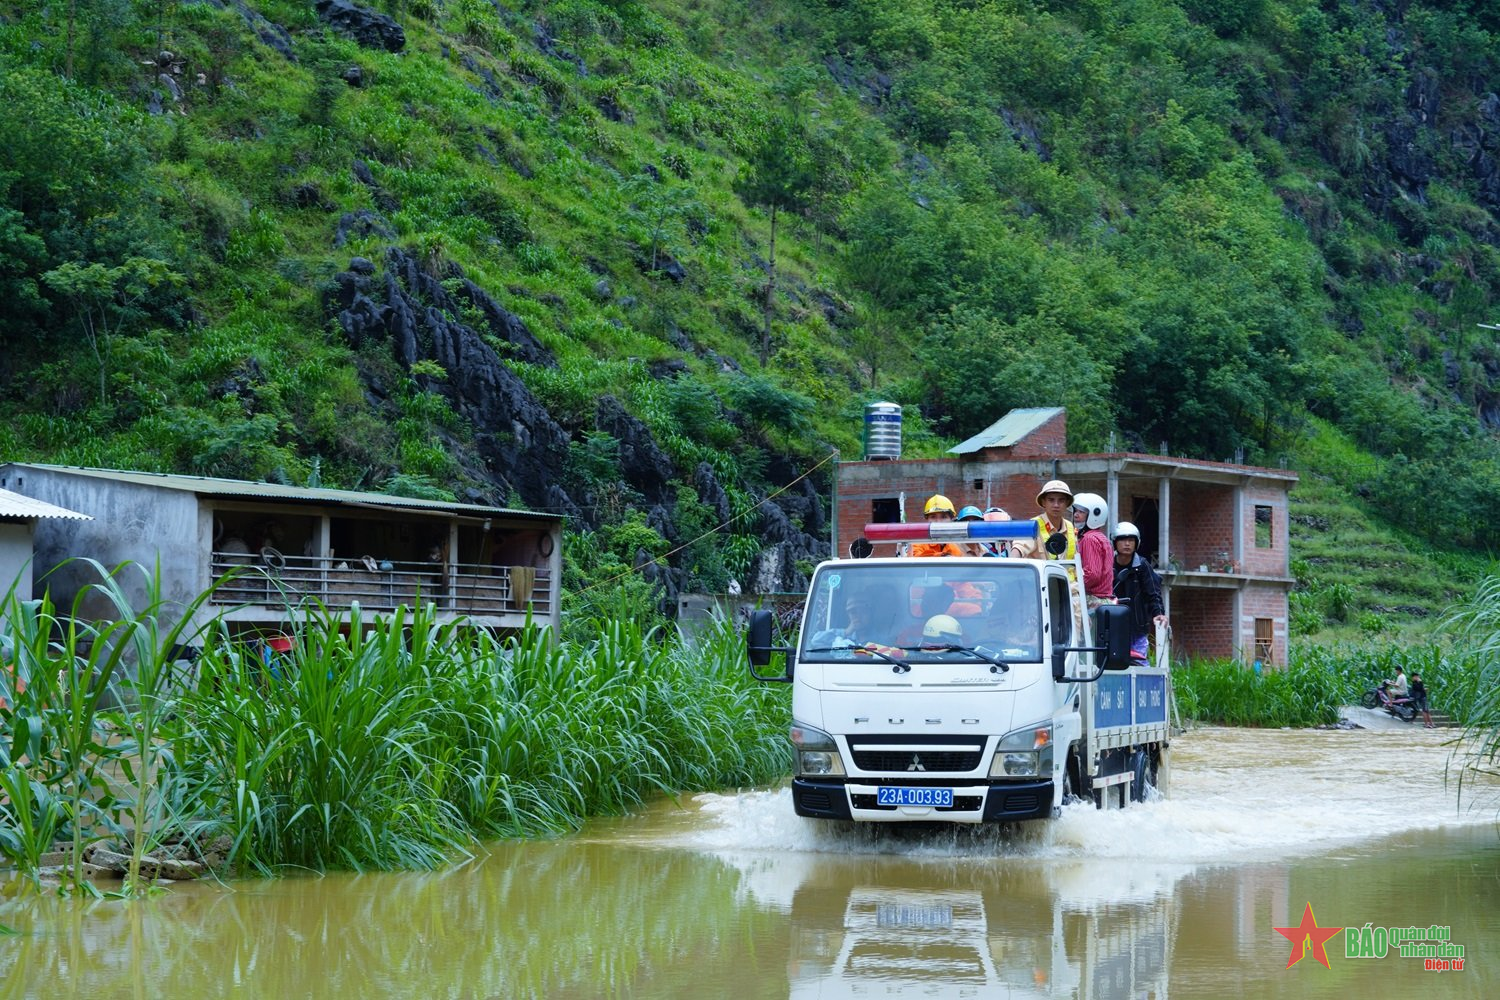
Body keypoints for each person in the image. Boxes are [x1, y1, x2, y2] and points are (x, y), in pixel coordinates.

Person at [1112, 521, 1166, 661]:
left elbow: (1153, 591)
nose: (1127, 544)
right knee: (1112, 664)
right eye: (1123, 540)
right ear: (1115, 542)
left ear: (1137, 543)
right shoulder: (1108, 564)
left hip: (1137, 626)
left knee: (1140, 663)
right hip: (1112, 626)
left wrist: (1159, 613)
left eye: (1131, 540)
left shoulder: (1142, 565)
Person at [1012, 480, 1077, 564]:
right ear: (1043, 502)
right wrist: (1011, 566)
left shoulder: (1070, 527)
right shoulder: (1033, 526)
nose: (1056, 505)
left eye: (1061, 500)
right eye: (1051, 500)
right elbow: (1019, 548)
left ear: (1067, 503)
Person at [1071, 492, 1114, 606]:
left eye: (1081, 512)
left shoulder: (1089, 539)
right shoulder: (1100, 537)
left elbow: (1092, 574)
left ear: (1094, 515)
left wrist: (1071, 585)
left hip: (1092, 600)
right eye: (1075, 511)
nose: (1076, 515)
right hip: (1102, 600)